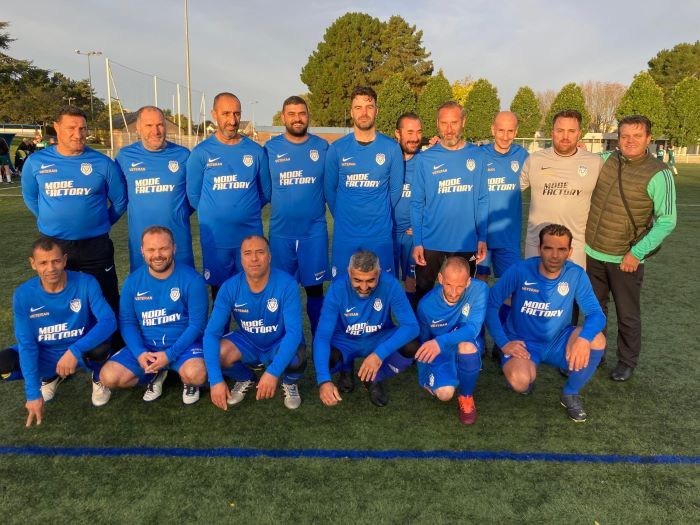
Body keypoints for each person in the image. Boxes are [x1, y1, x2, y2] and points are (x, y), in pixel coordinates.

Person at [585, 115, 677, 381]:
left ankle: (626, 361)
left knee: (627, 314)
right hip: (592, 252)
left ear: (648, 138)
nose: (630, 141)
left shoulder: (659, 173)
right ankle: (596, 354)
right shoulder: (605, 160)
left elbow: (667, 221)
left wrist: (636, 253)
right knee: (595, 311)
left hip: (625, 258)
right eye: (625, 136)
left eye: (637, 136)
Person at [21, 106, 127, 334]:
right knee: (61, 297)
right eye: (71, 128)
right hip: (55, 245)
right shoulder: (36, 162)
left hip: (95, 245)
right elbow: (30, 197)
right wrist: (50, 219)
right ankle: (65, 343)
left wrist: (99, 224)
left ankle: (114, 346)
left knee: (106, 296)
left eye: (83, 128)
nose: (78, 134)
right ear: (56, 127)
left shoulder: (102, 163)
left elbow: (120, 202)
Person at [486, 224, 607, 422]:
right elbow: (491, 304)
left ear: (570, 252)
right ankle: (527, 374)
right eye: (548, 248)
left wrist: (583, 339)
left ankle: (570, 392)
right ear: (539, 248)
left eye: (561, 249)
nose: (555, 255)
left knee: (597, 340)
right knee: (520, 382)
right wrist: (503, 342)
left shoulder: (575, 274)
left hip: (559, 340)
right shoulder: (520, 270)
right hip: (522, 342)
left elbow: (596, 313)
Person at [0, 236, 116, 426]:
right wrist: (33, 394)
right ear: (33, 264)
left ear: (64, 260)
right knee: (3, 363)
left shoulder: (86, 282)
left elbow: (109, 321)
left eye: (56, 261)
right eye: (43, 263)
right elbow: (27, 344)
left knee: (100, 346)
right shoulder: (23, 295)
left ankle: (98, 378)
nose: (51, 268)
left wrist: (75, 350)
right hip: (45, 354)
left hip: (80, 352)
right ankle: (50, 376)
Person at [99, 226, 209, 404]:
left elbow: (197, 325)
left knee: (196, 375)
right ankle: (154, 374)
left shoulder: (192, 280)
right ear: (142, 251)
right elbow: (127, 322)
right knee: (108, 377)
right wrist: (140, 353)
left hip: (183, 347)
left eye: (163, 248)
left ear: (174, 248)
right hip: (148, 347)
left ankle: (188, 381)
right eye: (151, 249)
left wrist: (170, 354)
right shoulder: (133, 281)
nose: (157, 255)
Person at [203, 235, 306, 411]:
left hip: (278, 341)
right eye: (247, 253)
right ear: (241, 258)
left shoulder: (286, 284)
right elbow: (211, 333)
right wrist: (215, 380)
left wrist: (273, 372)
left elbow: (294, 332)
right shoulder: (229, 287)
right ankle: (245, 378)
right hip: (248, 341)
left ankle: (289, 382)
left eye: (260, 252)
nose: (254, 258)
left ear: (269, 256)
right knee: (218, 352)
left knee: (298, 356)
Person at [186, 92, 270, 298]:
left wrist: (245, 210)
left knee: (252, 293)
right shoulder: (201, 153)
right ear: (214, 114)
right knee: (220, 295)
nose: (232, 120)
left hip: (249, 237)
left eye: (237, 113)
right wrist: (217, 213)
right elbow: (194, 196)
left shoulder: (256, 152)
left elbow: (265, 192)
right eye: (226, 114)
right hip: (216, 238)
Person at [313, 250, 419, 407]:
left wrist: (379, 354)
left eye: (370, 280)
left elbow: (412, 327)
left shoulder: (390, 284)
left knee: (412, 345)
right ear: (349, 272)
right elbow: (322, 336)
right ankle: (346, 368)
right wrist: (323, 380)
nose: (363, 287)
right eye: (357, 280)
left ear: (379, 272)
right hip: (345, 341)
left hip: (379, 337)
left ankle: (373, 377)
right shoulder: (337, 288)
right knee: (326, 357)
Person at [410, 101, 489, 307]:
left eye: (454, 122)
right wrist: (417, 241)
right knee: (423, 292)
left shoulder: (478, 156)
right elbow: (417, 203)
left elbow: (482, 199)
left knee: (463, 293)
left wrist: (482, 237)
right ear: (437, 124)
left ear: (463, 122)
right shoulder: (425, 159)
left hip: (466, 241)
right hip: (431, 241)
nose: (449, 129)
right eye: (444, 123)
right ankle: (421, 328)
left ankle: (462, 328)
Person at [263, 96, 329, 337]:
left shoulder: (322, 147)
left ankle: (320, 343)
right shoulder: (269, 149)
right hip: (282, 234)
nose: (297, 118)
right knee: (281, 291)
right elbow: (264, 189)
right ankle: (284, 344)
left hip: (314, 233)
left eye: (301, 113)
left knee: (315, 290)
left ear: (308, 116)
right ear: (283, 117)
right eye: (291, 114)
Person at [324, 86, 403, 278]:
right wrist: (344, 215)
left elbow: (395, 190)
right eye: (358, 107)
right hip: (346, 234)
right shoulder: (337, 149)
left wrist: (378, 212)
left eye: (369, 107)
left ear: (377, 110)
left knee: (382, 287)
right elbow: (329, 190)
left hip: (379, 234)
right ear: (351, 112)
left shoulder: (391, 148)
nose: (364, 112)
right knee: (344, 287)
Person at [520, 110, 603, 269]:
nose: (565, 136)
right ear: (552, 132)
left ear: (579, 133)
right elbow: (509, 192)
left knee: (571, 286)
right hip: (537, 245)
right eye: (560, 130)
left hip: (574, 247)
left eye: (571, 131)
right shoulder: (534, 160)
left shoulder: (594, 162)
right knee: (534, 285)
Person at [115, 106, 194, 272]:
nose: (156, 131)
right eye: (149, 125)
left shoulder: (183, 155)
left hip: (178, 241)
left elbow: (193, 197)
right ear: (138, 128)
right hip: (142, 243)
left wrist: (177, 213)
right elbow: (118, 197)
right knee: (145, 287)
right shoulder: (125, 157)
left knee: (182, 285)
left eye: (160, 125)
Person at [415, 256, 488, 425]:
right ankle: (457, 371)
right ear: (440, 279)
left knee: (467, 345)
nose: (454, 292)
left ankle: (466, 396)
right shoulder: (426, 305)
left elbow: (472, 329)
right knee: (444, 394)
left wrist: (440, 341)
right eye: (448, 285)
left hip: (467, 343)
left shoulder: (480, 289)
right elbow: (424, 343)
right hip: (441, 352)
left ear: (468, 282)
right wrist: (423, 376)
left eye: (460, 286)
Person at [477, 111, 529, 281]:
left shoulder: (523, 156)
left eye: (510, 131)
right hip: (481, 236)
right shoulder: (478, 155)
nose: (505, 137)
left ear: (516, 131)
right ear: (493, 130)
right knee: (479, 283)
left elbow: (549, 168)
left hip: (509, 238)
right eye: (501, 130)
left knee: (510, 285)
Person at [392, 112, 422, 304]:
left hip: (412, 235)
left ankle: (412, 322)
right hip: (387, 233)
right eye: (410, 132)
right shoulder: (387, 158)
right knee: (385, 283)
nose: (415, 137)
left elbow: (436, 198)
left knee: (412, 283)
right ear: (398, 133)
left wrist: (422, 223)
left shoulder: (425, 162)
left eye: (419, 132)